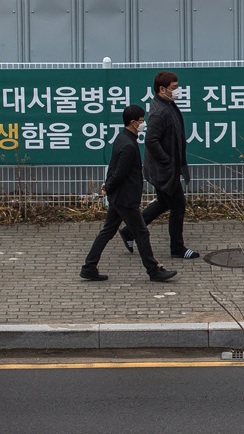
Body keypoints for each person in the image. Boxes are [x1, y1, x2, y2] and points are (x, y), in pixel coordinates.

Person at [81, 104, 175, 282]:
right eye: (141, 121)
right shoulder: (129, 145)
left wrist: (108, 186)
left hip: (118, 197)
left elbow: (113, 167)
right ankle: (153, 271)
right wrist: (108, 186)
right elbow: (119, 172)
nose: (144, 124)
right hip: (126, 199)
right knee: (141, 233)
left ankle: (89, 267)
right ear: (132, 122)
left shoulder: (122, 138)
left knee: (108, 231)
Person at [138, 70, 201, 261]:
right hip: (165, 169)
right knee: (178, 206)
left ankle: (130, 231)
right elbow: (151, 140)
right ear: (162, 89)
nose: (178, 91)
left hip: (167, 167)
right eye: (174, 88)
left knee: (164, 203)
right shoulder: (159, 112)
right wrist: (166, 160)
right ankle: (177, 248)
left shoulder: (167, 104)